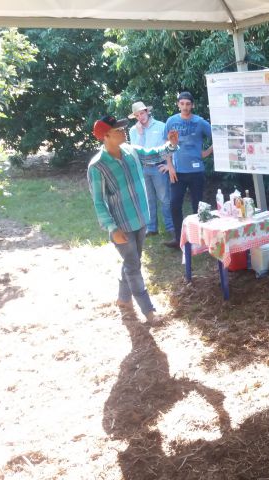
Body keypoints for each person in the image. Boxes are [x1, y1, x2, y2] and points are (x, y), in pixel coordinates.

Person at [87, 114, 179, 323]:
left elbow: (153, 154)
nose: (123, 132)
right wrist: (112, 228)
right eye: (118, 130)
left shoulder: (131, 151)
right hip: (122, 225)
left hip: (141, 218)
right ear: (106, 136)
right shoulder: (97, 166)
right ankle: (148, 310)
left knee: (132, 261)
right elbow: (99, 202)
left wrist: (171, 145)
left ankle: (123, 299)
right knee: (133, 265)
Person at [163, 91, 213, 249]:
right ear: (178, 104)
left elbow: (217, 136)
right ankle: (179, 239)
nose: (185, 107)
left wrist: (206, 152)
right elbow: (166, 145)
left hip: (196, 172)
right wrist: (170, 166)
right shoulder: (171, 121)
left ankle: (199, 239)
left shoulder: (200, 122)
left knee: (198, 206)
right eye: (182, 103)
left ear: (192, 105)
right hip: (177, 172)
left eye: (188, 104)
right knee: (174, 205)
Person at [128, 101, 174, 237]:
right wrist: (140, 134)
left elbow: (170, 146)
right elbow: (135, 151)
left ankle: (171, 227)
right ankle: (151, 228)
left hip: (158, 167)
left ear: (147, 112)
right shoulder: (133, 130)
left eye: (142, 113)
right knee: (148, 199)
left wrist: (169, 165)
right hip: (143, 168)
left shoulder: (161, 126)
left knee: (165, 199)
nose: (140, 117)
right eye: (137, 115)